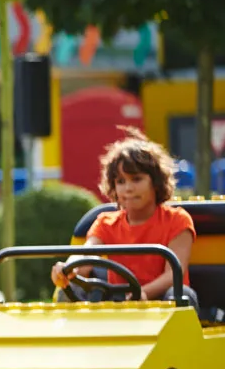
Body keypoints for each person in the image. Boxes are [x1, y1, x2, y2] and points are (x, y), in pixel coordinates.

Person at [51, 128, 197, 306]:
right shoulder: (105, 223)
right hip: (120, 302)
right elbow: (85, 254)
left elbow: (174, 273)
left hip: (161, 302)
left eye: (136, 179)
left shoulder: (177, 220)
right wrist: (66, 268)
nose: (128, 188)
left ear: (156, 183)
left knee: (182, 294)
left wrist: (143, 293)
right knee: (71, 288)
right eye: (121, 181)